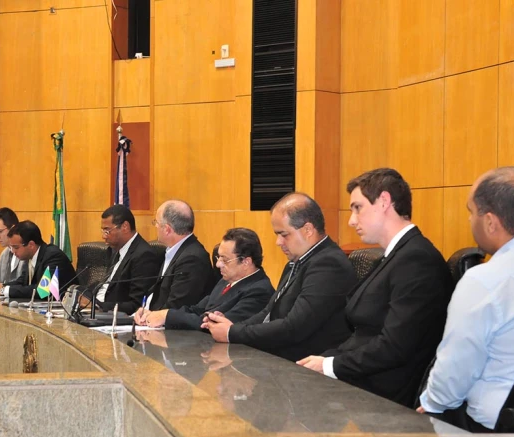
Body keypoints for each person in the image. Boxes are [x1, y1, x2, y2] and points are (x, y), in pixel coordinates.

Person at [297, 167, 453, 408]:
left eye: (357, 208)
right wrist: (325, 360)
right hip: (362, 382)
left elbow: (395, 347)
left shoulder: (416, 259)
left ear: (384, 201)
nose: (351, 220)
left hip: (382, 398)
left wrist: (328, 365)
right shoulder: (394, 256)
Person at [418, 167, 514, 431]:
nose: (469, 221)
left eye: (470, 212)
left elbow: (453, 376)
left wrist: (430, 403)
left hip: (491, 433)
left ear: (490, 222)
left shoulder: (484, 281)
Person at [204, 194, 356, 362]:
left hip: (306, 368)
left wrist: (232, 333)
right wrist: (231, 327)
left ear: (308, 230)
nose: (278, 242)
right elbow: (268, 312)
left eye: (284, 234)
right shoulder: (298, 261)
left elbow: (295, 327)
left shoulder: (328, 264)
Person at [141, 228, 274, 330]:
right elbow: (197, 310)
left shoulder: (259, 290)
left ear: (246, 262)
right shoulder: (225, 281)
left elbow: (213, 325)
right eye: (218, 258)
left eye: (225, 260)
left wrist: (168, 317)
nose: (218, 264)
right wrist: (154, 314)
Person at [134, 200, 216, 322]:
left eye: (156, 222)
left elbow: (178, 305)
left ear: (167, 229)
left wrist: (150, 317)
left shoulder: (192, 259)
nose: (155, 226)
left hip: (174, 333)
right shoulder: (173, 251)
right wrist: (144, 310)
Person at [89, 205, 162, 314]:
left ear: (125, 227)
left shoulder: (144, 255)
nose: (103, 236)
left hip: (114, 319)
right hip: (98, 313)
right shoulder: (114, 251)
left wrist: (98, 306)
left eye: (107, 231)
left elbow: (137, 304)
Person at [0, 220, 77, 299]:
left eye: (16, 247)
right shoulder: (30, 256)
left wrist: (3, 290)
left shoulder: (53, 256)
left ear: (31, 245)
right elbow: (22, 282)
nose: (13, 251)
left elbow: (43, 291)